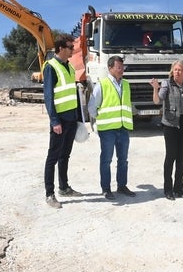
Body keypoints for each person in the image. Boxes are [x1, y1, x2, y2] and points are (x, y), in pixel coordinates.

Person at [88, 55, 136, 200]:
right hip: (107, 130)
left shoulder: (126, 84)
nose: (122, 70)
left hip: (123, 128)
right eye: (119, 67)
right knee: (106, 160)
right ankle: (106, 188)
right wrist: (100, 120)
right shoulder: (101, 85)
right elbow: (92, 107)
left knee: (123, 160)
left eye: (123, 67)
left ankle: (121, 186)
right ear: (110, 68)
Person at [43, 34, 82, 209]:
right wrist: (54, 120)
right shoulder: (51, 67)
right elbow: (49, 96)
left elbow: (74, 94)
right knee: (53, 157)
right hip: (60, 121)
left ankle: (64, 187)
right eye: (70, 47)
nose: (73, 50)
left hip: (71, 118)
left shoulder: (70, 67)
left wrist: (79, 118)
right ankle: (49, 194)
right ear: (60, 48)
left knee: (65, 156)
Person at [150, 60, 183, 200]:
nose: (177, 72)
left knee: (181, 157)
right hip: (170, 124)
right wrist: (155, 88)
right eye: (175, 70)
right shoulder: (166, 83)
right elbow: (157, 100)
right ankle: (168, 189)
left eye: (180, 70)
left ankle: (178, 189)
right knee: (170, 157)